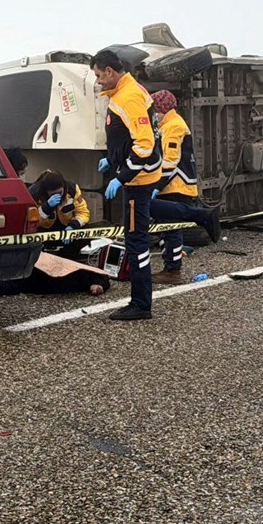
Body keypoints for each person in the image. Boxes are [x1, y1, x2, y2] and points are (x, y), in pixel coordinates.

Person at [91, 48, 162, 321]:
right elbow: (127, 137)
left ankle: (140, 304)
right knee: (138, 234)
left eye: (99, 75)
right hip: (138, 176)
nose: (98, 81)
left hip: (138, 181)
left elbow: (144, 144)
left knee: (136, 243)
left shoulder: (129, 96)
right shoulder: (125, 91)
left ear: (110, 71)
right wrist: (112, 160)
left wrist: (122, 177)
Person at [148, 90, 222, 285]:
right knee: (167, 228)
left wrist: (156, 185)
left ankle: (172, 270)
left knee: (171, 228)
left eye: (155, 110)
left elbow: (170, 161)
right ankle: (170, 266)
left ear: (161, 108)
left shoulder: (173, 126)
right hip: (173, 184)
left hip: (176, 184)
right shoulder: (167, 124)